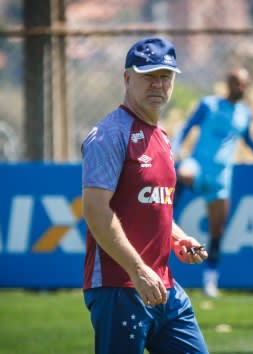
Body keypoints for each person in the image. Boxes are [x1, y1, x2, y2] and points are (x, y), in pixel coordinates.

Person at [81, 36, 209, 354]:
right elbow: (97, 211)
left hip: (163, 285)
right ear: (127, 78)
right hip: (119, 287)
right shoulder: (109, 135)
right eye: (148, 76)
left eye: (164, 77)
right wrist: (138, 271)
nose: (157, 84)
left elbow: (154, 203)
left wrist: (178, 238)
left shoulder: (162, 137)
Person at [171, 67, 253, 297]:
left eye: (243, 84)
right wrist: (173, 150)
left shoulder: (245, 113)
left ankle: (210, 280)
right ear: (228, 83)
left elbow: (247, 140)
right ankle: (164, 214)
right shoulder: (209, 105)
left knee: (217, 229)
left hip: (222, 176)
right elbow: (187, 127)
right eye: (236, 82)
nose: (239, 87)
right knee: (183, 174)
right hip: (198, 166)